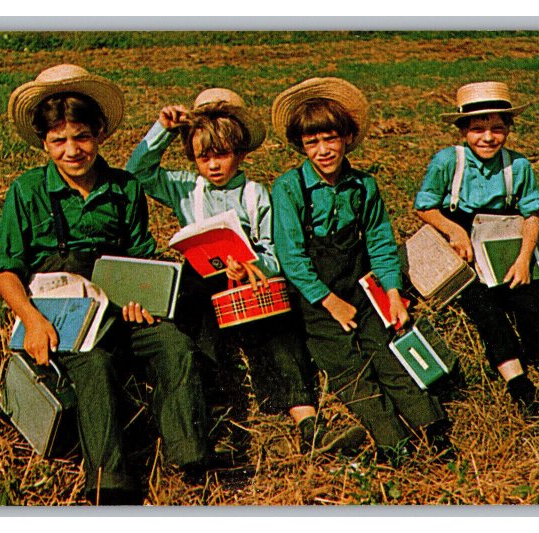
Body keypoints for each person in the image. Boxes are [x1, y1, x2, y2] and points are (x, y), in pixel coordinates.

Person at [0, 64, 209, 505]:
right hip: (62, 313)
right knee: (93, 367)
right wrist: (31, 320)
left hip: (116, 304)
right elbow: (5, 270)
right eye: (59, 141)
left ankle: (190, 456)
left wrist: (142, 301)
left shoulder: (125, 188)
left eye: (82, 137)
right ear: (44, 143)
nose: (72, 151)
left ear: (101, 133)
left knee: (172, 343)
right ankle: (110, 483)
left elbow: (141, 257)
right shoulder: (27, 191)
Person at [125, 88, 366, 456]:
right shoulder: (187, 188)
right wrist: (163, 129)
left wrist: (255, 265)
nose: (213, 165)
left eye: (222, 155)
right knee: (197, 328)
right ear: (193, 157)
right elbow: (137, 172)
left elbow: (274, 249)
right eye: (203, 157)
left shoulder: (255, 194)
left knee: (280, 331)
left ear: (239, 152)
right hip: (203, 281)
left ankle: (307, 420)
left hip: (251, 281)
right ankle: (216, 418)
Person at [270, 77, 449, 459]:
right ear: (301, 146)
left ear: (348, 137)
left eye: (330, 139)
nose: (323, 151)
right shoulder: (288, 188)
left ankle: (431, 429)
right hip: (316, 299)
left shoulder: (363, 186)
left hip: (361, 288)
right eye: (312, 143)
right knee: (347, 369)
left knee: (386, 352)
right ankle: (392, 441)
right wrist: (330, 302)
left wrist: (393, 294)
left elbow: (382, 245)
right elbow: (292, 258)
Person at [413, 81, 539, 416]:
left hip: (504, 243)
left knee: (535, 305)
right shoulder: (448, 161)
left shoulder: (518, 166)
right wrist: (454, 232)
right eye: (478, 129)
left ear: (509, 128)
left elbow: (531, 214)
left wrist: (524, 260)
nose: (488, 138)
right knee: (486, 312)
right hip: (464, 248)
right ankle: (519, 385)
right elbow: (424, 206)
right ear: (463, 131)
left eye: (497, 128)